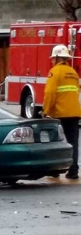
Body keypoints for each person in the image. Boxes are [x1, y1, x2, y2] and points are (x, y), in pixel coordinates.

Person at [43, 45, 80, 180]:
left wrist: (46, 111)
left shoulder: (55, 72)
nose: (52, 61)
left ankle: (54, 170)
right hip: (74, 113)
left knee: (55, 142)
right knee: (72, 143)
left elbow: (50, 93)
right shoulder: (73, 73)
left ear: (57, 58)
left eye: (53, 58)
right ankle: (73, 170)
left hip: (59, 114)